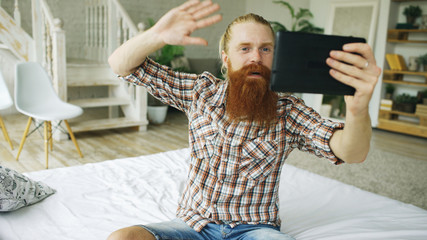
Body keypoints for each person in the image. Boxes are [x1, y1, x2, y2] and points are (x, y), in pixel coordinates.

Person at [107, 0, 382, 239]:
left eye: (265, 49)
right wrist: (156, 35)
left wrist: (358, 110)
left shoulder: (288, 111)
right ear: (226, 59)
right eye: (245, 48)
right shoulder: (199, 92)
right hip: (192, 226)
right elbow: (121, 65)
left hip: (255, 230)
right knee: (123, 237)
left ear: (276, 58)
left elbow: (352, 152)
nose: (255, 58)